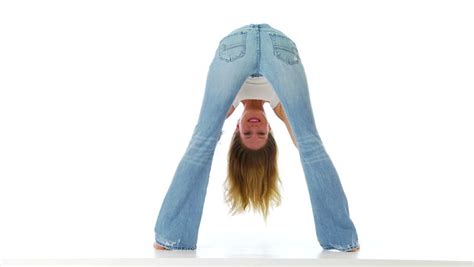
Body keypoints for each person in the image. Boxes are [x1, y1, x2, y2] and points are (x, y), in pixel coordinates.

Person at [153, 23, 360, 252]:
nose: (255, 127)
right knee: (310, 142)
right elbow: (305, 144)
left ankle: (172, 235)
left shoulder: (228, 109)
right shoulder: (280, 108)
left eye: (247, 133)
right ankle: (341, 239)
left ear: (236, 129)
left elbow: (204, 141)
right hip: (279, 46)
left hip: (234, 47)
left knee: (202, 141)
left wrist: (213, 135)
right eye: (261, 133)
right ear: (270, 129)